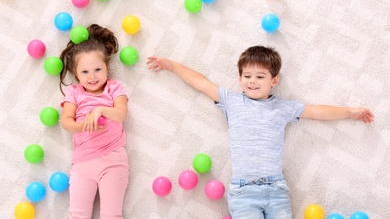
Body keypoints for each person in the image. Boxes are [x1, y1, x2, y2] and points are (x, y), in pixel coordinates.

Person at [147, 45, 374, 219]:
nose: (252, 82)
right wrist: (173, 66)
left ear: (274, 80)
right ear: (240, 78)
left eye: (260, 76)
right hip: (243, 191)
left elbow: (316, 111)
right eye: (247, 76)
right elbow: (202, 83)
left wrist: (349, 112)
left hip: (276, 188)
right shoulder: (232, 101)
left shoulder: (284, 107)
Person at [59, 24, 129, 219]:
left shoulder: (114, 88)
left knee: (111, 215)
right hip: (83, 162)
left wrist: (100, 110)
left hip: (113, 160)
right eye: (85, 72)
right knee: (78, 215)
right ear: (75, 72)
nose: (92, 77)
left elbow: (121, 115)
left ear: (107, 67)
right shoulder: (74, 92)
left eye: (98, 69)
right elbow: (66, 122)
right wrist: (83, 125)